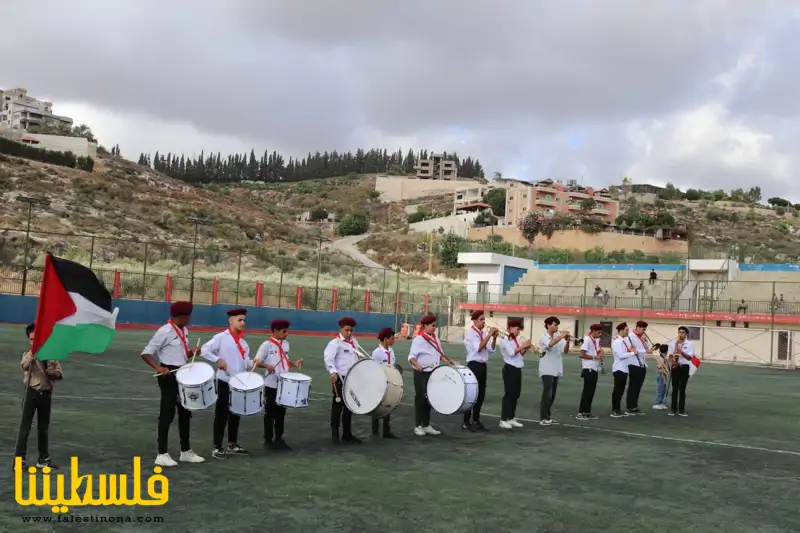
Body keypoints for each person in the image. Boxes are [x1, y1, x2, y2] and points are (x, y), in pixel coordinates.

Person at [141, 301, 205, 467]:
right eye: (188, 315)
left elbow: (182, 354)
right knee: (167, 413)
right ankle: (161, 453)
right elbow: (146, 353)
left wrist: (192, 353)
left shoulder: (184, 330)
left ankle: (186, 451)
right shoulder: (165, 331)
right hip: (168, 375)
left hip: (183, 373)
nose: (190, 318)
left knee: (185, 412)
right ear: (181, 316)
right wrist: (159, 368)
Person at [200, 307, 253, 459]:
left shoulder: (243, 343)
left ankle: (232, 444)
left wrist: (255, 362)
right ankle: (217, 447)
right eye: (240, 320)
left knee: (236, 413)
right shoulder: (221, 337)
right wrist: (218, 360)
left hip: (238, 382)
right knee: (221, 414)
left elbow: (245, 362)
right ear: (231, 321)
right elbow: (204, 350)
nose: (243, 322)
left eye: (244, 320)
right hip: (224, 380)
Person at [14, 323, 62, 470]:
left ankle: (43, 458)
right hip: (32, 393)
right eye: (31, 339)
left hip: (46, 394)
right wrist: (32, 359)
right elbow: (24, 366)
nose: (34, 341)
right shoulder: (28, 354)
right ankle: (19, 460)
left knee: (43, 428)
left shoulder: (52, 354)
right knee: (25, 428)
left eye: (37, 338)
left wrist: (53, 373)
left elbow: (60, 374)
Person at [254, 319, 304, 451]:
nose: (287, 334)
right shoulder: (266, 345)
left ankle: (279, 439)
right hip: (271, 384)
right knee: (270, 412)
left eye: (287, 331)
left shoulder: (286, 344)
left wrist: (294, 363)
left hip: (284, 383)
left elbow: (285, 362)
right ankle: (268, 439)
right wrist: (266, 365)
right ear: (275, 331)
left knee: (282, 412)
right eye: (284, 331)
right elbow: (256, 362)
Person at [408, 314, 459, 436]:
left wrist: (449, 362)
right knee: (420, 399)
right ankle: (418, 425)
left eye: (435, 326)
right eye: (432, 326)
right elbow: (411, 357)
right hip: (421, 373)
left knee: (429, 399)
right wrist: (418, 365)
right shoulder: (419, 340)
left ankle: (426, 425)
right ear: (425, 326)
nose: (434, 328)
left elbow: (440, 354)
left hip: (433, 372)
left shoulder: (435, 339)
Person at [324, 317, 364, 444]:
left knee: (349, 407)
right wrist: (333, 372)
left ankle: (347, 434)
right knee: (337, 407)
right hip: (340, 378)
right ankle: (335, 435)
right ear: (340, 329)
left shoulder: (354, 341)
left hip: (352, 378)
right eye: (347, 330)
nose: (349, 333)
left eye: (351, 330)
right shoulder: (335, 343)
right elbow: (328, 359)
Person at [462, 310, 498, 431]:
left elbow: (491, 350)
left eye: (484, 319)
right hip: (474, 364)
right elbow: (479, 348)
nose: (484, 322)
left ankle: (476, 419)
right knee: (472, 394)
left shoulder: (482, 333)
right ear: (475, 320)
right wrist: (489, 335)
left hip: (482, 365)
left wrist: (494, 338)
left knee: (481, 394)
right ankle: (466, 421)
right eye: (481, 319)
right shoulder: (471, 333)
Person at [537, 316, 571, 426]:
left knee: (552, 395)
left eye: (557, 325)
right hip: (547, 369)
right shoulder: (543, 337)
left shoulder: (557, 337)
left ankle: (548, 416)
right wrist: (561, 336)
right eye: (555, 325)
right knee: (547, 394)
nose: (557, 327)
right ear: (548, 325)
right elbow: (550, 344)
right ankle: (543, 418)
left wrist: (568, 342)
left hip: (556, 369)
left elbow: (564, 351)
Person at [498, 318, 531, 429]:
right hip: (510, 369)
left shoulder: (515, 340)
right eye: (517, 329)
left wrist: (525, 348)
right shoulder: (504, 340)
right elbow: (511, 353)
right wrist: (523, 345)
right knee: (509, 395)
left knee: (516, 395)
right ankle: (503, 419)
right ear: (510, 328)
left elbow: (520, 354)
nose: (518, 332)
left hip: (517, 368)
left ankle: (511, 418)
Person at [371, 327, 399, 439]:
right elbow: (374, 368)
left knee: (388, 405)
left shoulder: (391, 351)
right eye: (392, 338)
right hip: (379, 382)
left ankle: (386, 431)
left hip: (390, 382)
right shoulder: (377, 353)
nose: (394, 340)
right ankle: (375, 431)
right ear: (386, 339)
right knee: (377, 406)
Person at [576, 324, 604, 420]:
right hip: (588, 369)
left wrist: (600, 353)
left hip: (594, 368)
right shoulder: (587, 339)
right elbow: (581, 354)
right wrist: (594, 357)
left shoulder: (596, 340)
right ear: (593, 331)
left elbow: (596, 351)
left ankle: (587, 412)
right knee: (587, 392)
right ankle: (581, 413)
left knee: (591, 392)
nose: (600, 334)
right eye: (599, 332)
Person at [610, 322, 636, 418]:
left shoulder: (623, 340)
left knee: (620, 390)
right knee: (617, 390)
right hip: (619, 368)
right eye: (626, 330)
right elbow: (621, 356)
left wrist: (630, 350)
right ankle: (615, 410)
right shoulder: (618, 341)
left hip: (624, 368)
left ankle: (618, 409)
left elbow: (625, 352)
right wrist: (633, 353)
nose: (627, 332)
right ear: (621, 330)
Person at [667, 326, 694, 417]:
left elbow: (689, 357)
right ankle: (673, 409)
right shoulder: (673, 343)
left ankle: (681, 410)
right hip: (675, 367)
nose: (680, 334)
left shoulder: (689, 344)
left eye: (683, 332)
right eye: (679, 332)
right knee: (674, 389)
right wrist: (672, 363)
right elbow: (670, 356)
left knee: (682, 389)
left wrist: (681, 351)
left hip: (684, 367)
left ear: (686, 334)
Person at [625, 320, 650, 415]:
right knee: (633, 387)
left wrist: (646, 341)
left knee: (638, 387)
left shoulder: (641, 338)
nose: (644, 331)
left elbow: (647, 348)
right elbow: (630, 349)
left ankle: (634, 406)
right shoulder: (630, 337)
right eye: (643, 329)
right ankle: (629, 407)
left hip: (642, 364)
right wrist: (644, 351)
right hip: (634, 364)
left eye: (645, 329)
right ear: (637, 327)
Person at [652, 343, 670, 410]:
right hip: (661, 375)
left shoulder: (664, 357)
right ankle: (656, 403)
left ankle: (661, 403)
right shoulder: (661, 358)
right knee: (660, 389)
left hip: (665, 375)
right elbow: (660, 369)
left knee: (663, 390)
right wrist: (664, 378)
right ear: (666, 351)